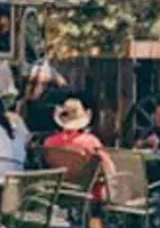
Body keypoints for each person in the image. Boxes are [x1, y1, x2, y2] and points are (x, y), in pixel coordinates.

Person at [43, 97, 112, 228]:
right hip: (87, 193)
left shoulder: (49, 143)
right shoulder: (91, 142)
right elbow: (108, 167)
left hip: (60, 191)